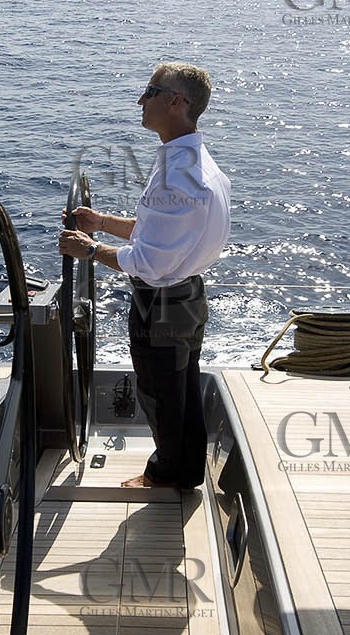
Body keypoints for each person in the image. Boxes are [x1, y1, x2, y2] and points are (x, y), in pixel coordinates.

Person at [59, 62, 231, 491]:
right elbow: (159, 233)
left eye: (150, 91)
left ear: (176, 102)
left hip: (162, 302)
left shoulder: (178, 176)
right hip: (187, 295)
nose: (141, 99)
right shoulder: (191, 162)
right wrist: (101, 222)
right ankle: (183, 468)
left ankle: (166, 476)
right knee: (182, 388)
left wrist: (89, 249)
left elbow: (150, 261)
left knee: (162, 394)